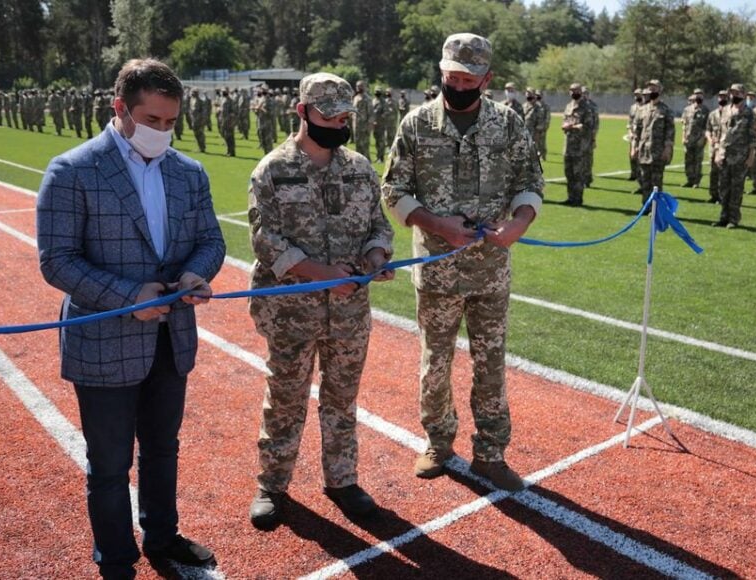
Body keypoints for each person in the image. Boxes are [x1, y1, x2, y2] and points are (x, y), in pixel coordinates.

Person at [36, 58, 225, 579]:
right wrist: (128, 295)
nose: (163, 131)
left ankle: (162, 538)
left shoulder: (189, 172)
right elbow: (57, 260)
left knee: (163, 448)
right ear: (121, 109)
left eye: (171, 122)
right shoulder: (73, 170)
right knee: (110, 465)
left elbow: (211, 241)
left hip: (171, 338)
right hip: (105, 341)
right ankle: (117, 560)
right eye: (152, 120)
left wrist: (192, 275)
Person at [382, 33, 543, 492]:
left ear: (486, 79)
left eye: (466, 78)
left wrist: (519, 225)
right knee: (435, 363)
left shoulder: (508, 124)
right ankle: (438, 441)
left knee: (490, 364)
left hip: (490, 270)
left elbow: (530, 181)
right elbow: (393, 190)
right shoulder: (416, 124)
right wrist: (437, 224)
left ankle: (491, 453)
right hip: (437, 269)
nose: (456, 84)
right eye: (450, 76)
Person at [246, 72, 394, 528]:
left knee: (342, 399)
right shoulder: (273, 170)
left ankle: (342, 481)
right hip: (291, 314)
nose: (336, 122)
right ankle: (272, 485)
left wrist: (374, 256)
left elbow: (380, 227)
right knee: (286, 399)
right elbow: (265, 241)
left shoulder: (359, 167)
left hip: (349, 313)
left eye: (344, 115)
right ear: (302, 112)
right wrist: (324, 276)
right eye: (327, 114)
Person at [712, 83, 756, 228]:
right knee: (723, 188)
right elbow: (719, 134)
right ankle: (723, 217)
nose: (734, 96)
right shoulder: (724, 110)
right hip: (724, 155)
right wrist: (718, 152)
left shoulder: (749, 113)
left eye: (737, 93)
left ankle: (733, 219)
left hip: (740, 156)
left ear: (743, 95)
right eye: (732, 93)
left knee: (736, 188)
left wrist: (751, 156)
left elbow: (753, 137)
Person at [631, 79, 675, 206]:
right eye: (650, 89)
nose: (652, 91)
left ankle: (656, 208)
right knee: (645, 181)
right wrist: (634, 147)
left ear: (660, 90)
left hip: (658, 151)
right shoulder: (642, 110)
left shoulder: (665, 110)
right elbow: (637, 130)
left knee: (656, 182)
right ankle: (646, 206)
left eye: (654, 88)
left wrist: (667, 149)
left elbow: (670, 131)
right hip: (644, 151)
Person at [562, 82, 595, 206]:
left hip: (580, 146)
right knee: (569, 173)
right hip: (568, 145)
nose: (573, 93)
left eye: (576, 90)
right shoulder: (568, 106)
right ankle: (570, 197)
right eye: (571, 90)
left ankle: (578, 199)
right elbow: (565, 121)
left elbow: (588, 126)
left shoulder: (586, 107)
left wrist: (572, 126)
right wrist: (565, 126)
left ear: (580, 92)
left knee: (578, 174)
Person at [682, 88, 709, 188]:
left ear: (703, 96)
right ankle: (689, 179)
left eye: (700, 94)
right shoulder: (687, 109)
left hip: (699, 139)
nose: (698, 96)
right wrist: (683, 137)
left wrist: (703, 138)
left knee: (697, 161)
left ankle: (696, 181)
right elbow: (684, 124)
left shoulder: (705, 111)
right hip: (689, 139)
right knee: (688, 160)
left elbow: (707, 127)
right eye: (696, 94)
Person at [705, 89, 728, 204]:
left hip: (724, 148)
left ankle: (722, 195)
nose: (722, 99)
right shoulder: (712, 114)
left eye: (724, 97)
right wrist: (710, 140)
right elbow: (708, 130)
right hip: (713, 147)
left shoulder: (730, 113)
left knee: (723, 172)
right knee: (713, 172)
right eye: (720, 97)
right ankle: (713, 195)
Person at [351, 80, 373, 159]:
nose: (359, 88)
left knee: (365, 147)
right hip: (356, 126)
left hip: (364, 126)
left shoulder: (367, 99)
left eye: (361, 86)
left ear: (364, 87)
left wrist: (369, 126)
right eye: (357, 86)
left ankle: (367, 164)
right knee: (358, 145)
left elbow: (371, 114)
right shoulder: (356, 98)